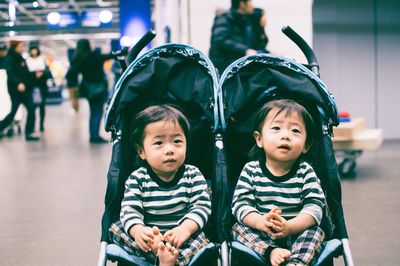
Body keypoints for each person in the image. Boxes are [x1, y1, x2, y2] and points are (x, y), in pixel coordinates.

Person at [109, 105, 212, 266]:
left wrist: (185, 229)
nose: (170, 149)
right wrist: (139, 230)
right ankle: (161, 255)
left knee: (203, 240)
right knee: (116, 229)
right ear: (141, 151)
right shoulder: (138, 178)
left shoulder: (193, 175)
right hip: (150, 237)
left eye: (177, 141)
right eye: (159, 143)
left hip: (182, 236)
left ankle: (171, 259)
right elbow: (130, 208)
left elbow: (202, 206)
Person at [231, 99, 326, 266]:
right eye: (276, 128)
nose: (285, 135)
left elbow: (315, 208)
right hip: (262, 233)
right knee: (238, 229)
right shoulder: (251, 170)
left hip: (297, 233)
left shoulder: (306, 172)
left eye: (295, 131)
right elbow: (240, 205)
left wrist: (289, 227)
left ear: (306, 145)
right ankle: (270, 252)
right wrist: (260, 221)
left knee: (316, 231)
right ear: (259, 139)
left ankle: (296, 263)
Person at [209, 0, 268, 73]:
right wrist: (245, 50)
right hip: (227, 67)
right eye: (250, 2)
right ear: (242, 3)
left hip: (243, 64)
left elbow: (258, 45)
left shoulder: (247, 20)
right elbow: (221, 40)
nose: (252, 5)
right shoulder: (224, 19)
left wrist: (261, 28)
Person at [72, 39, 113, 143]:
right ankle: (95, 136)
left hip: (88, 89)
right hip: (98, 88)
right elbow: (106, 57)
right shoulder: (93, 56)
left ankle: (93, 134)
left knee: (93, 112)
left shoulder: (78, 58)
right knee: (97, 112)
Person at [0, 40, 39, 141]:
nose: (23, 48)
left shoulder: (21, 58)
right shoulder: (9, 58)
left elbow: (25, 73)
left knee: (31, 109)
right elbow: (10, 72)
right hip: (16, 91)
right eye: (21, 46)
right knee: (13, 113)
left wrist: (34, 76)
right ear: (15, 47)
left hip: (25, 90)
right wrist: (18, 83)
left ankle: (29, 133)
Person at [26, 45, 51, 132]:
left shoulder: (42, 60)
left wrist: (42, 74)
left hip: (42, 87)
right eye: (32, 50)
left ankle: (41, 125)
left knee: (42, 107)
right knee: (32, 108)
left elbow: (49, 73)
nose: (34, 52)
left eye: (35, 50)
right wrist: (34, 75)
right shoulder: (27, 61)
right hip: (33, 87)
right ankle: (32, 126)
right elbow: (26, 75)